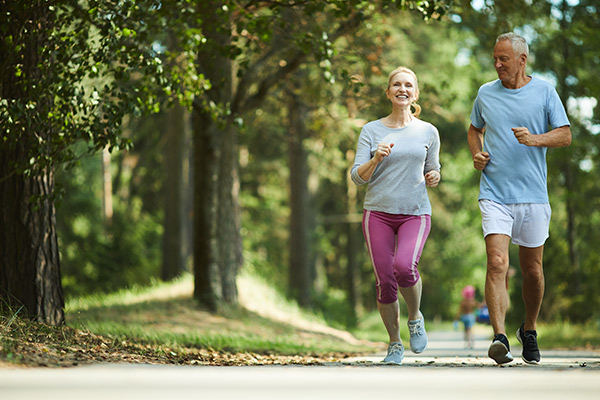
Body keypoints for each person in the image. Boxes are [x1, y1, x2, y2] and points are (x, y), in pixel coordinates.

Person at [467, 33, 571, 365]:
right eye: (495, 58)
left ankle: (529, 329)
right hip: (495, 192)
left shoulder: (544, 91)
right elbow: (474, 129)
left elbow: (565, 134)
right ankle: (499, 337)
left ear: (522, 60)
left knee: (533, 270)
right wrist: (477, 154)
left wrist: (534, 139)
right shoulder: (485, 93)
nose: (497, 64)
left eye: (504, 59)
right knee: (497, 262)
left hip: (533, 195)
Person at [351, 66, 441, 365]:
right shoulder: (371, 130)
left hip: (415, 213)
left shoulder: (428, 131)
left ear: (415, 93)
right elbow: (357, 177)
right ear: (388, 92)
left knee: (404, 267)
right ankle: (394, 343)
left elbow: (432, 167)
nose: (402, 89)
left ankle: (415, 317)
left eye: (408, 85)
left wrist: (434, 176)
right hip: (377, 212)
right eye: (396, 84)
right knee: (385, 280)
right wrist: (376, 158)